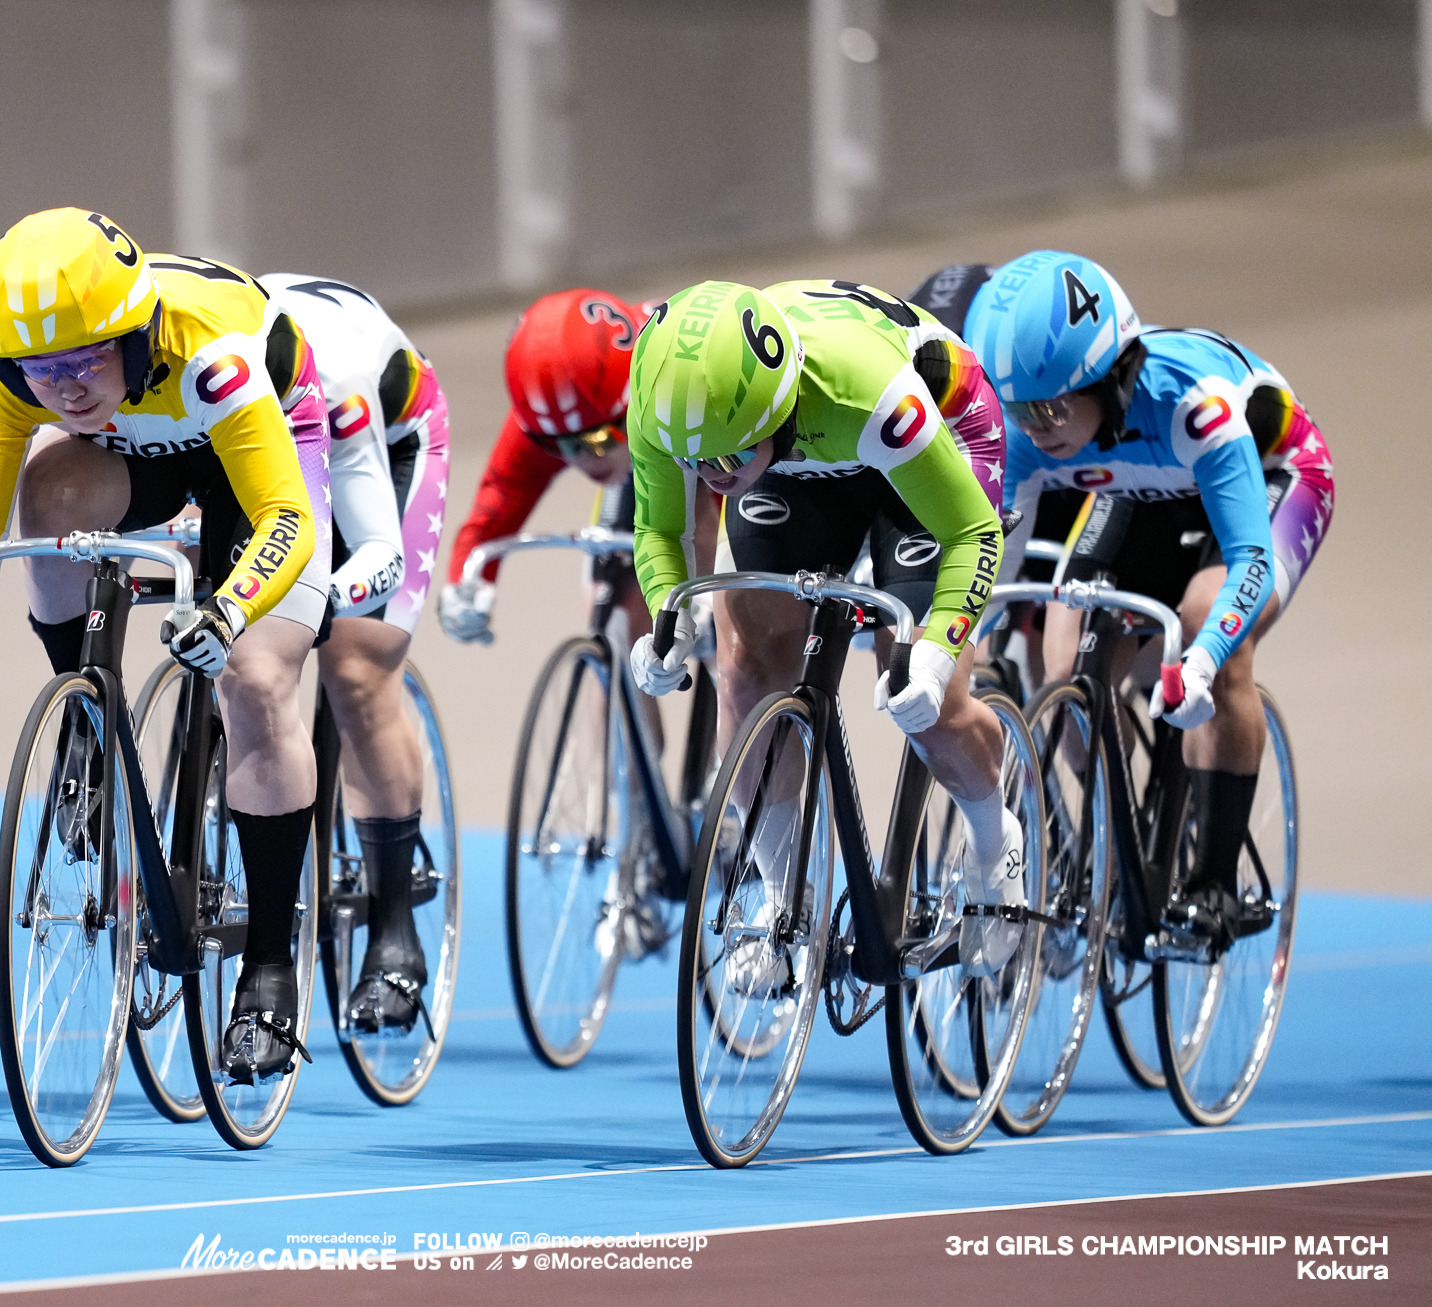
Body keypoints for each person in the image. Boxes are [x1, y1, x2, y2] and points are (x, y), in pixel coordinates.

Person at [0, 209, 332, 1083]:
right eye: (42, 371)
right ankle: (86, 722)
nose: (61, 388)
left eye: (85, 359)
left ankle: (271, 965)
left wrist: (228, 612)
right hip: (144, 453)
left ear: (134, 333)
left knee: (253, 678)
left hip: (264, 453)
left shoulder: (210, 350)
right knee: (50, 486)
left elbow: (287, 517)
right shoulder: (4, 369)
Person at [626, 279, 1024, 975]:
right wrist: (671, 612)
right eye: (694, 463)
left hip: (928, 426)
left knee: (925, 696)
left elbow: (971, 530)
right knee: (745, 667)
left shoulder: (866, 395)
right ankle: (784, 901)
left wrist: (937, 649)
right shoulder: (669, 403)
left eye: (722, 463)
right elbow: (660, 527)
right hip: (793, 462)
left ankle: (999, 838)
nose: (708, 478)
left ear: (773, 416)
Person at [963, 250, 1333, 949]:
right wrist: (965, 640)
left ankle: (1214, 881)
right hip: (1139, 490)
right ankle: (1130, 829)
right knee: (1063, 659)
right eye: (1017, 408)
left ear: (1111, 376)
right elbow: (998, 554)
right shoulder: (1035, 425)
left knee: (1206, 625)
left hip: (1273, 479)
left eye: (1049, 406)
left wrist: (1204, 660)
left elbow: (1249, 557)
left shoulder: (1196, 406)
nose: (1034, 427)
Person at [258, 272, 452, 1034]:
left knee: (355, 663)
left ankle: (394, 929)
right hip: (270, 451)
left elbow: (379, 554)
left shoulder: (335, 387)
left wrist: (322, 604)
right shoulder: (200, 371)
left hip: (384, 446)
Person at [439, 288, 718, 652]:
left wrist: (715, 597)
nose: (585, 461)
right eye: (561, 446)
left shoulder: (685, 388)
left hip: (701, 443)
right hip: (642, 455)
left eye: (599, 439)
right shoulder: (547, 417)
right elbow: (498, 503)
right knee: (609, 631)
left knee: (730, 641)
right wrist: (464, 583)